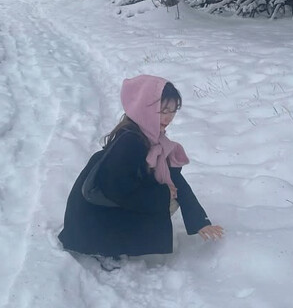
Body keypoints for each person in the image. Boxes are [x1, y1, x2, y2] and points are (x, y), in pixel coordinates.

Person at [58, 75, 224, 263]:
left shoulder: (151, 137)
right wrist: (162, 195)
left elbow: (174, 179)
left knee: (170, 196)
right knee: (167, 200)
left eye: (173, 111)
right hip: (90, 227)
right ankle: (108, 247)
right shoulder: (131, 142)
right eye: (163, 111)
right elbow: (117, 190)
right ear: (145, 109)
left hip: (98, 215)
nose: (169, 117)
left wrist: (199, 221)